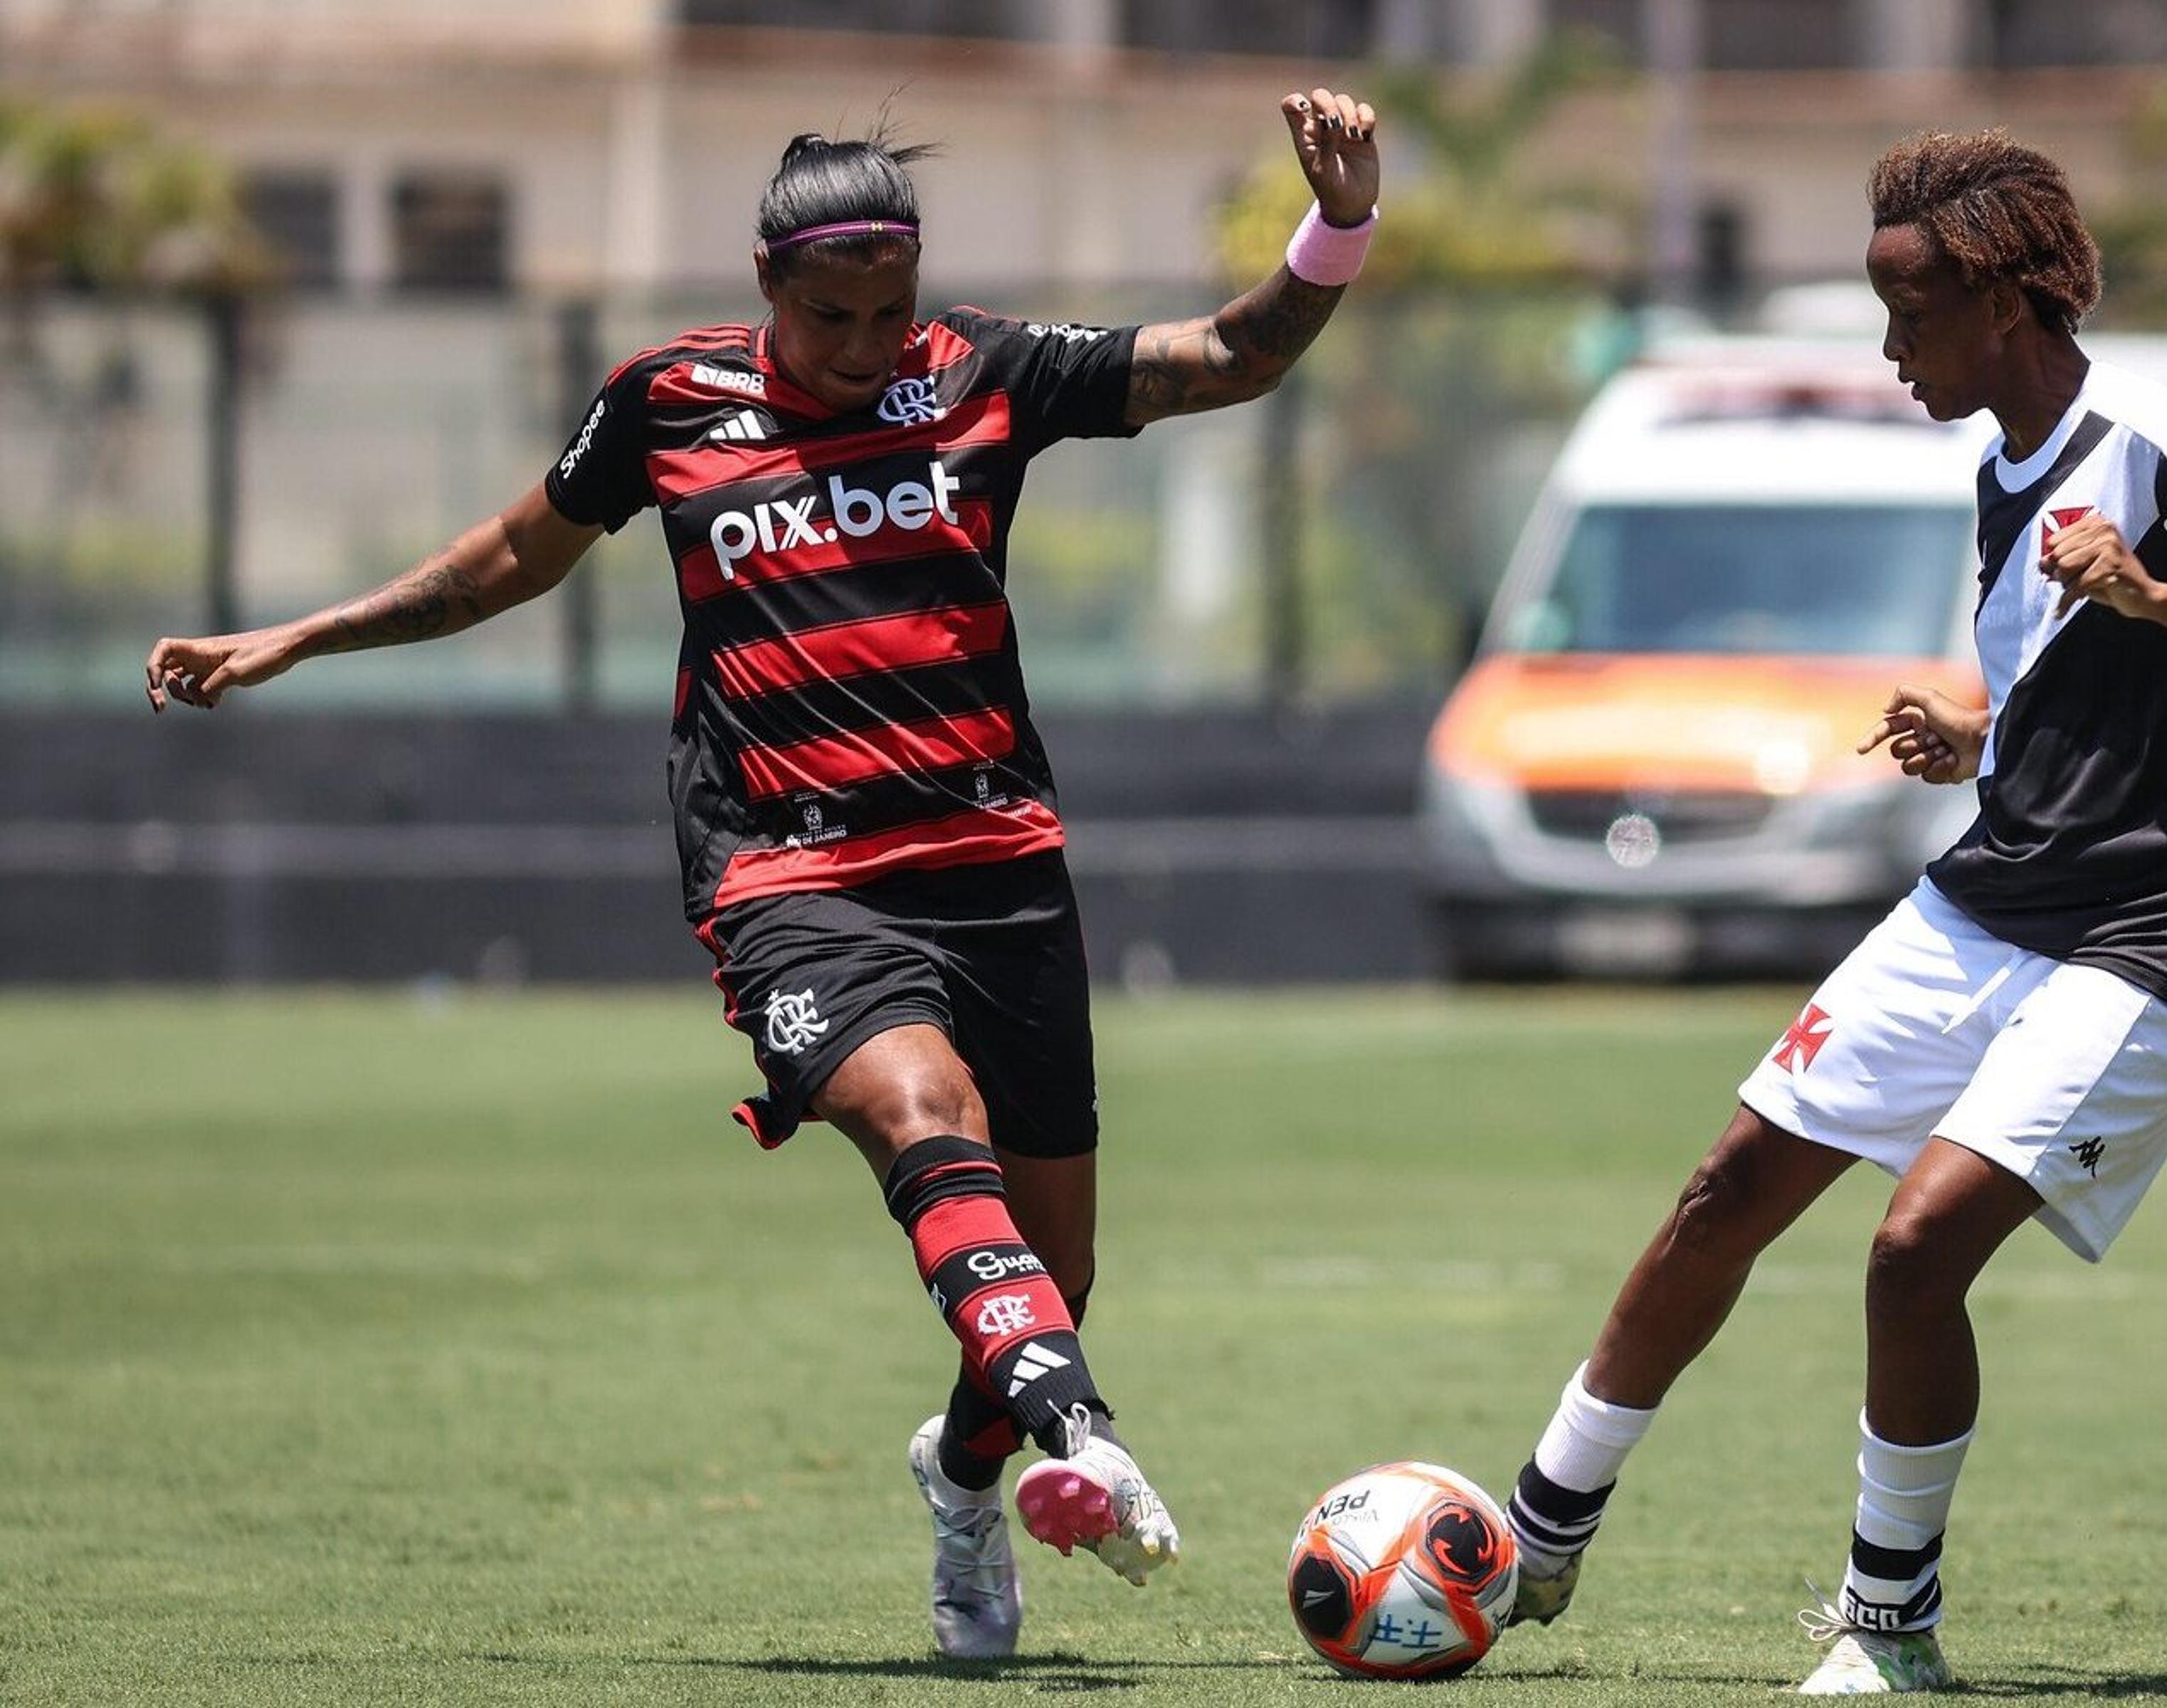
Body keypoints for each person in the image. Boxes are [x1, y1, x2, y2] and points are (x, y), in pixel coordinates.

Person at [144, 88, 1384, 1662]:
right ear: (763, 282)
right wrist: (301, 635)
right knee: (929, 1120)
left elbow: (1234, 355)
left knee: (1054, 1266)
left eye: (889, 309)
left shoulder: (985, 376)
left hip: (996, 862)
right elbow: (507, 559)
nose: (865, 344)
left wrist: (1336, 223)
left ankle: (968, 1470)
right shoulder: (663, 405)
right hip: (786, 873)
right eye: (829, 316)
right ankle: (1081, 1433)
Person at [1498, 130, 2167, 1695]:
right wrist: (1983, 739)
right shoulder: (1998, 469)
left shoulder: (2163, 439)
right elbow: (2080, 689)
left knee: (1914, 1253)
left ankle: (1889, 1625)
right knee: (1730, 1188)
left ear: (2002, 300)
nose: (1892, 349)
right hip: (1994, 894)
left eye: (1910, 315)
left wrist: (2156, 594)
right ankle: (1538, 1530)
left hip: (2154, 929)